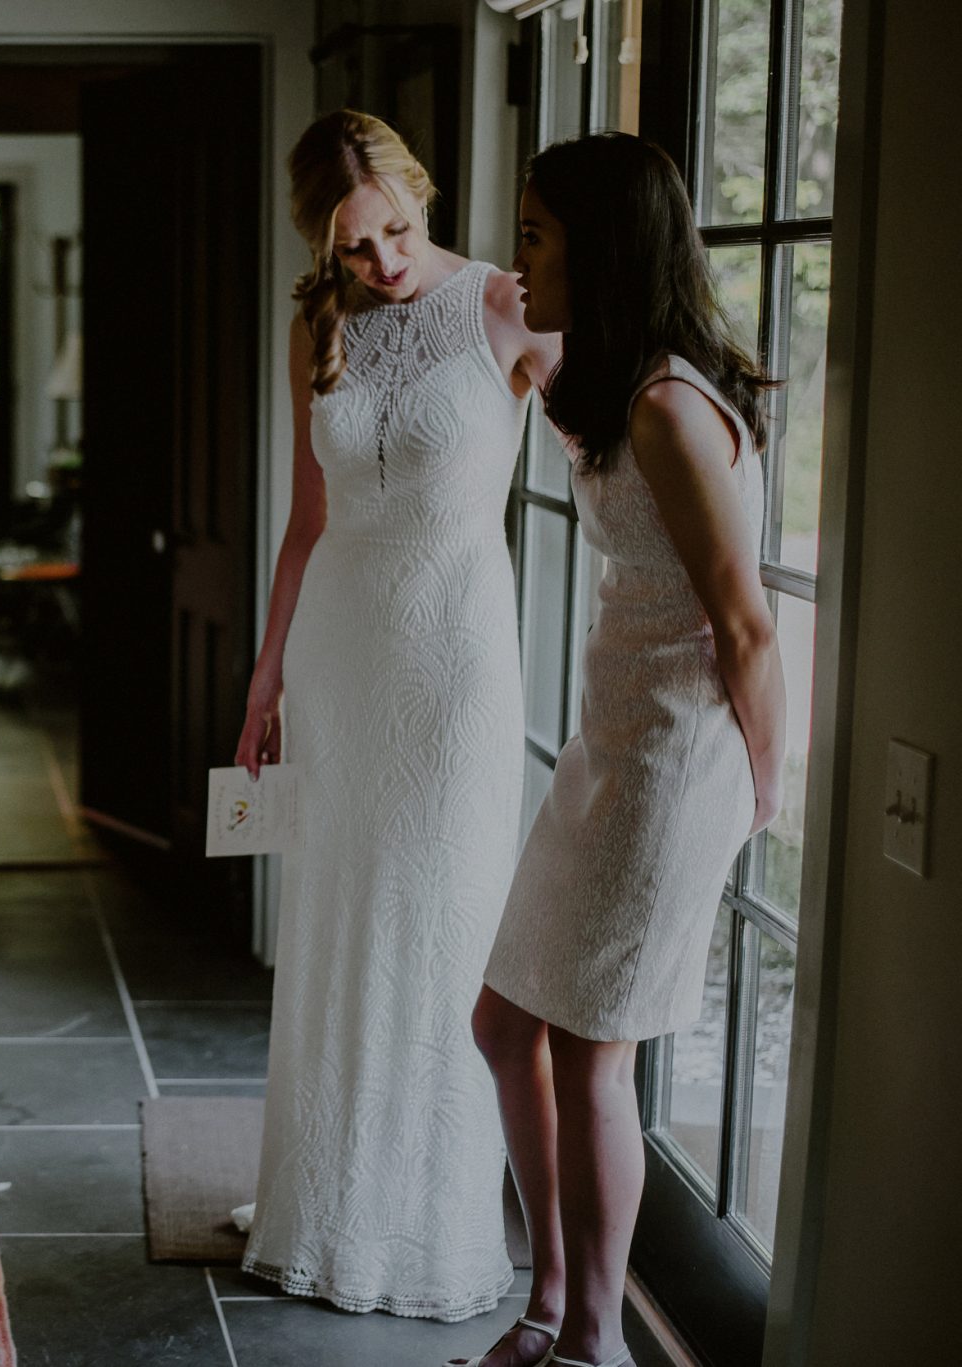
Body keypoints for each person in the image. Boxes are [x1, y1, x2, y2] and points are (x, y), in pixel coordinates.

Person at [458, 134, 784, 1367]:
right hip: (607, 748)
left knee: (597, 1053)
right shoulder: (614, 382)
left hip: (668, 767)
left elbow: (745, 623)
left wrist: (759, 784)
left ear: (594, 249)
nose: (517, 253)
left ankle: (589, 1338)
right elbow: (497, 327)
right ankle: (548, 1297)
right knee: (502, 1024)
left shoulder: (663, 407)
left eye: (533, 232)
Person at [231, 111, 558, 1320]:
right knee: (335, 917)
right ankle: (323, 1198)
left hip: (456, 663)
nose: (382, 264)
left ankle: (425, 1221)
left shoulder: (504, 305)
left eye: (396, 232)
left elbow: (617, 446)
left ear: (422, 198)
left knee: (440, 925)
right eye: (354, 247)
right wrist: (264, 675)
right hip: (338, 657)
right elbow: (305, 522)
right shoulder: (315, 322)